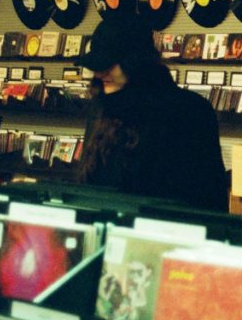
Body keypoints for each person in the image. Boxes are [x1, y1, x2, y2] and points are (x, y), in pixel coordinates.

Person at [76, 17, 228, 211]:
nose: (100, 73)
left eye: (110, 63)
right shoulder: (102, 107)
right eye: (97, 66)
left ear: (135, 63)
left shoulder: (187, 112)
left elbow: (207, 198)